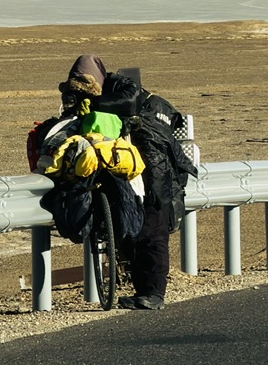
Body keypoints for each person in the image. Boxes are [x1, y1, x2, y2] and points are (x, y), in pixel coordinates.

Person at [45, 53, 198, 311]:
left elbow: (128, 102)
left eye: (84, 84)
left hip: (155, 169)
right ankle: (143, 293)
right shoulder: (106, 93)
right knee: (136, 230)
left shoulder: (122, 85)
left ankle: (153, 294)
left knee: (152, 231)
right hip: (135, 163)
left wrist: (95, 104)